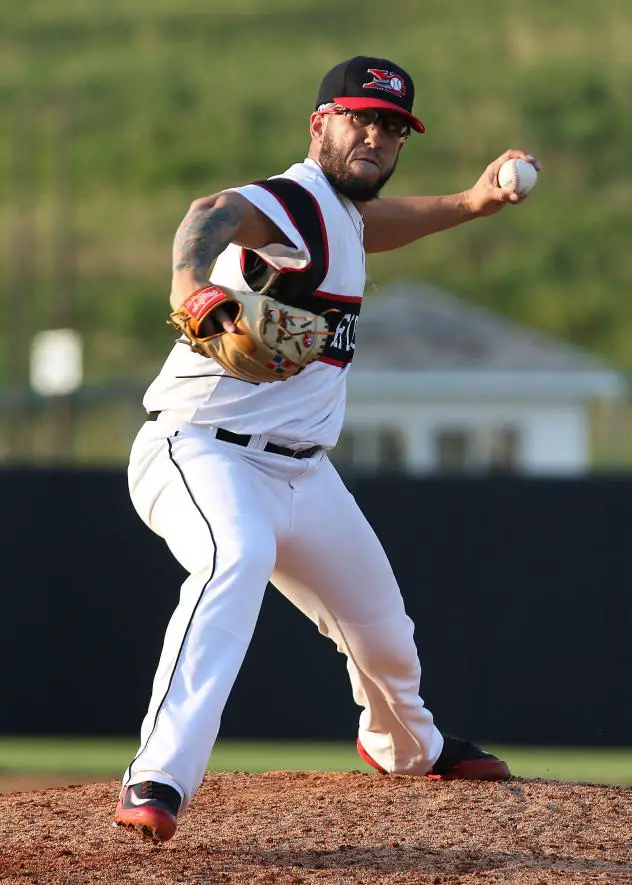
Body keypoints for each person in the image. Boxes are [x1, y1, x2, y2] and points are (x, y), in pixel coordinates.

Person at [114, 55, 540, 843]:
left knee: (384, 633)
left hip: (303, 472)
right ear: (320, 124)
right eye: (359, 118)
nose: (375, 135)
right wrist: (188, 289)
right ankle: (159, 774)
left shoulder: (339, 214)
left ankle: (407, 746)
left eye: (392, 126)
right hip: (202, 448)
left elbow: (374, 226)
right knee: (232, 557)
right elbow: (209, 213)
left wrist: (474, 202)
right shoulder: (291, 198)